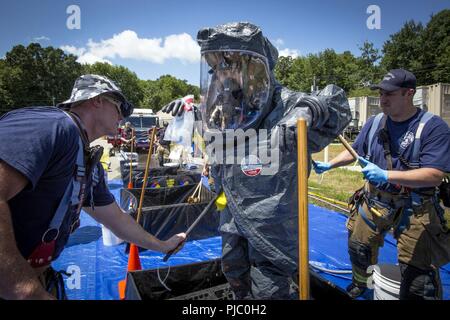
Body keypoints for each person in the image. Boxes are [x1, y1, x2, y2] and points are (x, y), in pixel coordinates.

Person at [162, 22, 351, 299]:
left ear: (254, 67)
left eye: (231, 66)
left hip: (271, 221)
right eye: (217, 69)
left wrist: (312, 108)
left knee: (268, 287)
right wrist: (189, 113)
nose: (223, 75)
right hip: (232, 212)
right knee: (234, 271)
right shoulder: (227, 108)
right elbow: (215, 140)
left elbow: (336, 103)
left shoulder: (285, 103)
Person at [0, 74, 186, 300]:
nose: (123, 117)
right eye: (119, 107)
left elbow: (117, 220)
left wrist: (163, 246)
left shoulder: (87, 160)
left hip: (33, 278)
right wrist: (23, 288)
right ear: (97, 100)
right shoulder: (52, 127)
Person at [313, 69, 450, 299]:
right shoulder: (375, 122)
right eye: (381, 93)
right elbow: (356, 151)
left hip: (416, 206)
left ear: (409, 93)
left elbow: (435, 174)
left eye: (390, 94)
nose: (383, 99)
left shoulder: (432, 127)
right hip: (375, 200)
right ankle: (363, 284)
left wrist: (386, 175)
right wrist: (330, 165)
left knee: (417, 273)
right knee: (359, 248)